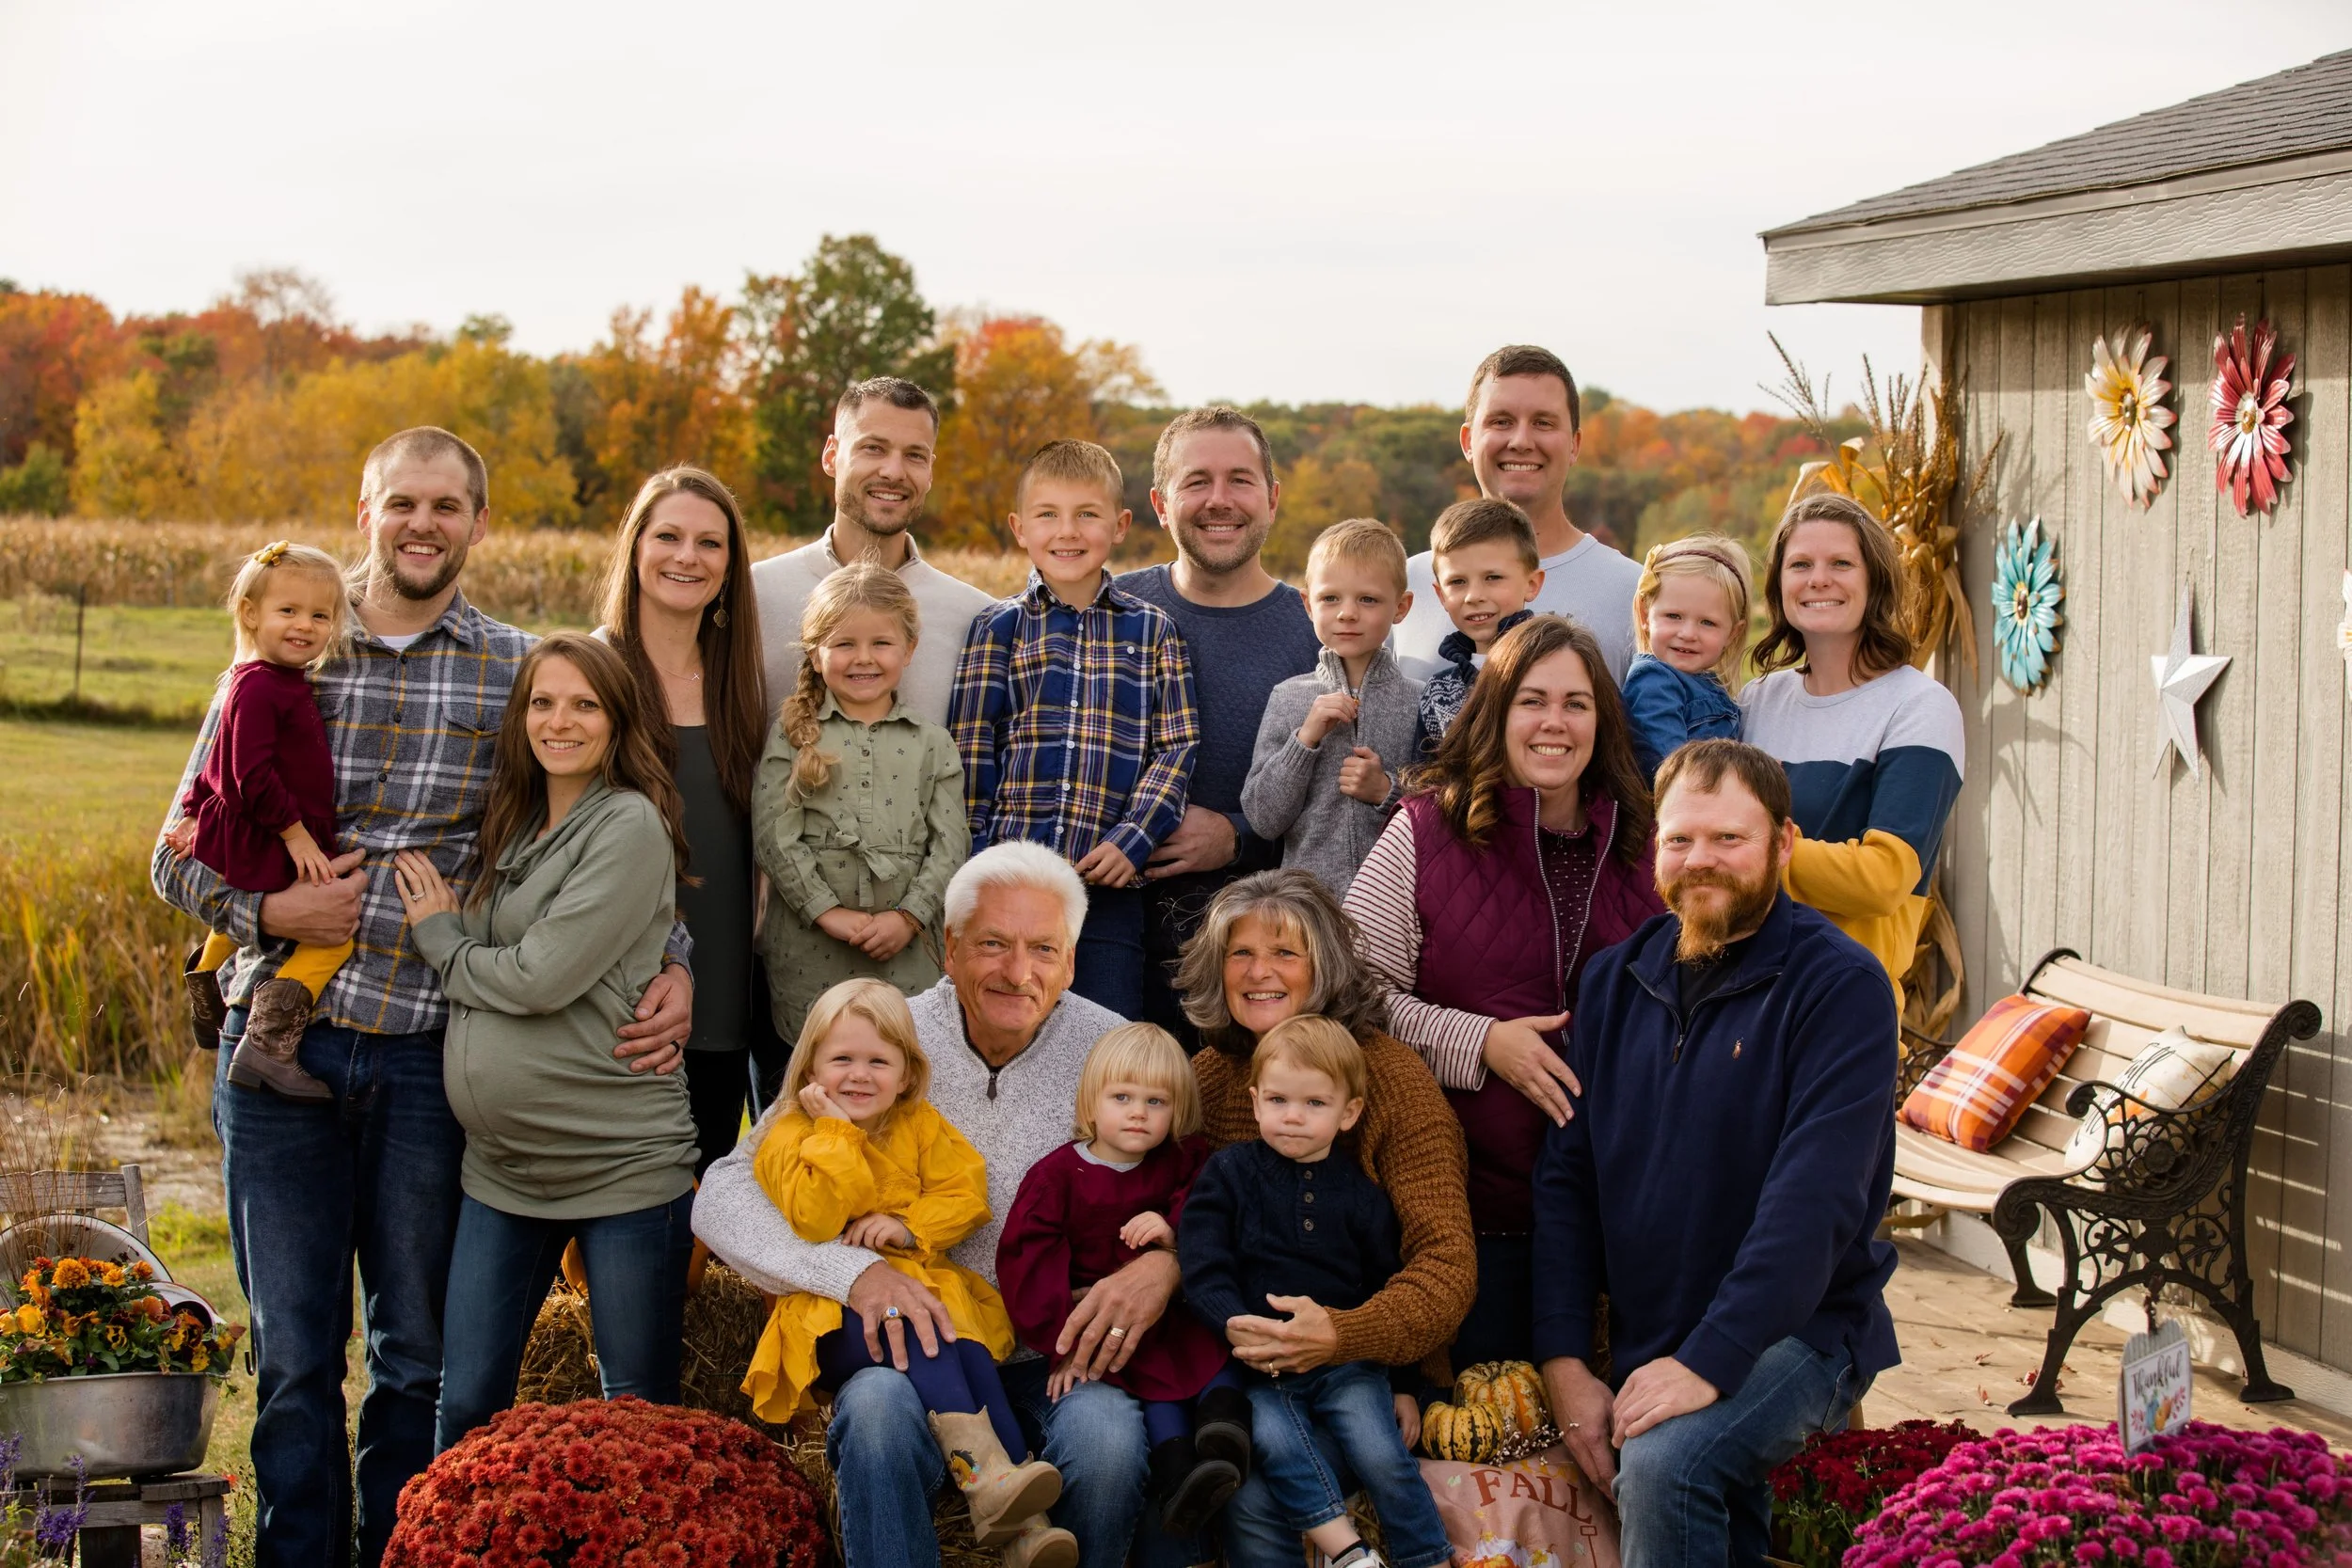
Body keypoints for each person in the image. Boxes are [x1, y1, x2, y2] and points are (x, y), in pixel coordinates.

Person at [152, 428, 696, 1568]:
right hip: (280, 1048)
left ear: (478, 524)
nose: (423, 523)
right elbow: (176, 855)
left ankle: (406, 1548)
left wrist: (678, 959)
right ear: (367, 512)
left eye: (447, 506)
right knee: (299, 1354)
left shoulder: (511, 669)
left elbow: (597, 830)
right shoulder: (285, 648)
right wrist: (268, 916)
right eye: (403, 502)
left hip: (425, 1055)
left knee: (416, 1355)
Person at [694, 842, 1201, 1568]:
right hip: (908, 1346)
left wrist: (1169, 1263)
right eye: (992, 943)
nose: (1017, 971)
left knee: (1110, 1442)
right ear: (949, 945)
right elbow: (723, 1193)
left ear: (1072, 960)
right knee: (872, 1414)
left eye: (1043, 949)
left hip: (1054, 1347)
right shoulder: (877, 1037)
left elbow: (1199, 1188)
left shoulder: (1117, 1052)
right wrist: (850, 1274)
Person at [1532, 739, 1899, 1568]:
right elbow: (1566, 1182)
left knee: (1666, 1464)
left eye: (1729, 839)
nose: (1702, 861)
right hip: (1652, 1332)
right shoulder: (1613, 981)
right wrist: (1563, 1359)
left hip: (1800, 1331)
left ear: (1783, 843)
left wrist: (1708, 1359)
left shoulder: (1840, 987)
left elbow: (1816, 1202)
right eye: (1681, 839)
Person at [394, 633, 701, 1449]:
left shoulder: (629, 822)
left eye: (583, 704)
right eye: (542, 701)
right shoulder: (519, 821)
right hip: (503, 1171)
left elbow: (539, 977)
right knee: (466, 1406)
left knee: (633, 1416)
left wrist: (441, 939)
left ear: (616, 719)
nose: (559, 721)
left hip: (620, 1162)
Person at [1343, 615, 1663, 1369]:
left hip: (1624, 1215)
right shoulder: (1424, 831)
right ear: (1496, 711)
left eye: (1577, 703)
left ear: (1603, 720)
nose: (1554, 721)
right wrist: (1481, 1041)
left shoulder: (1648, 846)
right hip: (1472, 1212)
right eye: (1532, 699)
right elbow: (1351, 995)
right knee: (1491, 1442)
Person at [1170, 870, 1475, 1568]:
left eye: (1285, 953)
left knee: (1272, 1485)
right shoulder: (1208, 1077)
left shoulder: (1388, 1078)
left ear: (1325, 966)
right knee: (1242, 1478)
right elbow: (1173, 1214)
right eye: (1240, 953)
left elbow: (1443, 1263)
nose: (1259, 972)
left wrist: (1356, 1342)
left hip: (1360, 1368)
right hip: (1243, 1363)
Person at [742, 977, 1077, 1568]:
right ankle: (990, 1484)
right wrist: (836, 1132)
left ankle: (1019, 1519)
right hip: (833, 1320)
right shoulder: (788, 1136)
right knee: (928, 1330)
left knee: (966, 1350)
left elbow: (967, 1193)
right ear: (810, 1067)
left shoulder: (918, 1124)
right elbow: (816, 1219)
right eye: (841, 1059)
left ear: (906, 1070)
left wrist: (908, 1227)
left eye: (879, 1061)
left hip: (922, 1300)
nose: (859, 1075)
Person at [950, 439, 1200, 1018]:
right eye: (1048, 515)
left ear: (1120, 525)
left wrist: (1133, 840)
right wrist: (982, 857)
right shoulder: (997, 627)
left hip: (1106, 886)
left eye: (1087, 514)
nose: (1067, 531)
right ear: (1020, 527)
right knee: (1001, 1027)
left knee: (1101, 1042)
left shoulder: (1154, 631)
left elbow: (1177, 747)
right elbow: (970, 751)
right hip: (1009, 882)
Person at [1116, 407, 1323, 1043]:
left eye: (1240, 480)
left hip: (1258, 964)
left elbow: (1340, 813)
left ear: (1272, 498)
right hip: (1109, 939)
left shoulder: (1318, 631)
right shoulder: (1108, 612)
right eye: (1196, 481)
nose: (1219, 501)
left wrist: (1236, 838)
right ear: (1159, 502)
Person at [995, 1022, 1248, 1537]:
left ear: (1177, 1111)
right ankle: (1179, 1469)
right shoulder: (1057, 1178)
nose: (1139, 1112)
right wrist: (1065, 1343)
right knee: (1145, 1390)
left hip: (1178, 1315)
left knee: (1217, 1353)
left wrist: (1173, 1228)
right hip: (1110, 1330)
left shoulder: (1185, 1159)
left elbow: (1215, 1208)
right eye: (1123, 1097)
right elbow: (1028, 1264)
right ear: (1091, 1104)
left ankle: (1226, 1433)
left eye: (1157, 1101)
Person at [597, 467, 771, 1175]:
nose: (686, 557)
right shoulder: (593, 669)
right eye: (667, 536)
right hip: (618, 983)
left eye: (710, 543)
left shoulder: (744, 684)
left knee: (696, 1185)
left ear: (730, 569)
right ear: (636, 549)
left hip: (724, 980)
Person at [1738, 492, 1964, 1014]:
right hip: (1744, 1002)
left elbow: (1885, 880)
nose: (1819, 579)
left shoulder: (1919, 706)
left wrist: (1748, 852)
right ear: (1779, 587)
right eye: (1800, 564)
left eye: (1841, 563)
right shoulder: (1757, 701)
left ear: (1875, 583)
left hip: (1844, 1009)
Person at [168, 540, 353, 1101]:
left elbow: (218, 765)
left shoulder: (271, 680)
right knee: (334, 940)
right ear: (251, 614)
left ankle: (205, 982)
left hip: (270, 829)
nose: (305, 626)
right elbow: (246, 774)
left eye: (320, 616)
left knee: (244, 902)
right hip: (278, 832)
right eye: (288, 611)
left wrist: (197, 814)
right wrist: (295, 834)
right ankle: (268, 1045)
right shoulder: (258, 684)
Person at [754, 562, 966, 1045]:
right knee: (816, 1073)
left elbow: (950, 845)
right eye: (844, 644)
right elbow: (773, 835)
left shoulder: (932, 743)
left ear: (909, 649)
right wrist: (828, 912)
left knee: (895, 1072)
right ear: (815, 654)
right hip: (812, 949)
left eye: (881, 643)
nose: (863, 659)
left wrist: (909, 915)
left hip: (906, 954)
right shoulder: (793, 735)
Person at [753, 377, 993, 728]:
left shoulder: (977, 619)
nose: (893, 472)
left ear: (929, 472)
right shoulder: (754, 594)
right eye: (873, 449)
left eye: (914, 455)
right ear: (831, 456)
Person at [1395, 345, 1645, 683]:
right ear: (1468, 442)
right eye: (1501, 422)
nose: (1521, 441)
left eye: (1543, 423)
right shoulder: (1404, 587)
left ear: (1574, 444)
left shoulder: (1633, 593)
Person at [1240, 518, 1422, 900]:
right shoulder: (1289, 697)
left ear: (1401, 607)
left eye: (1368, 599)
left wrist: (1387, 791)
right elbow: (1263, 819)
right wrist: (1304, 741)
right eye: (1330, 599)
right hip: (1308, 912)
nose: (1347, 613)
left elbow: (1447, 807)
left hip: (1398, 910)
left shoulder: (1420, 701)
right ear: (1308, 604)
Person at [1413, 498, 1544, 753]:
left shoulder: (1565, 668)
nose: (1474, 596)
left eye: (1492, 577)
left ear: (1532, 584)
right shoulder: (1439, 693)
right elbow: (1423, 781)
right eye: (1458, 582)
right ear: (1441, 595)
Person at [1622, 535, 1752, 782]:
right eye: (1673, 616)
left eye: (1707, 622)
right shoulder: (1654, 682)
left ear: (1732, 634)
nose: (1688, 634)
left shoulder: (1709, 685)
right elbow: (1673, 771)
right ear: (1645, 615)